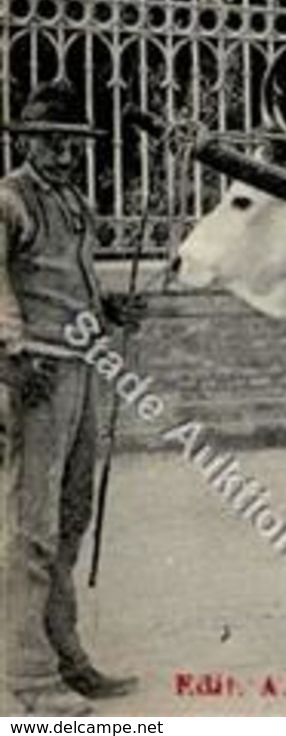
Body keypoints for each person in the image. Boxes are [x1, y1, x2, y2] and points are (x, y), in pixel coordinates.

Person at [1, 80, 140, 716]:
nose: (62, 154)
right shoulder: (9, 200)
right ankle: (27, 678)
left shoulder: (76, 202)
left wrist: (109, 308)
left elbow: (66, 282)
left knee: (71, 517)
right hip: (37, 375)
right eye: (50, 143)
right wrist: (8, 359)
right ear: (26, 139)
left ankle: (66, 656)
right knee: (32, 526)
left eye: (72, 144)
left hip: (81, 369)